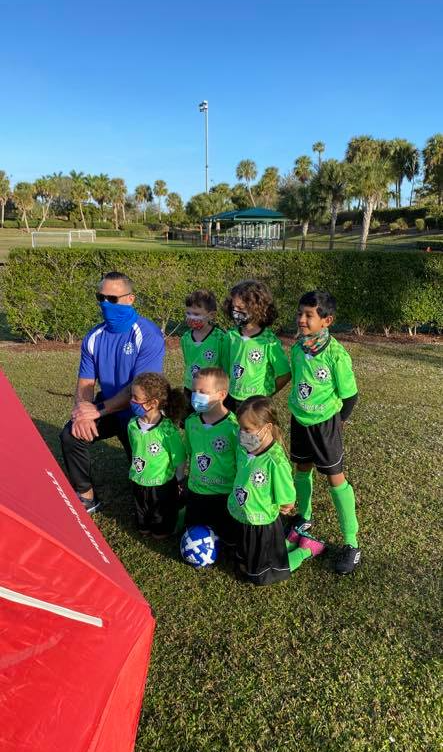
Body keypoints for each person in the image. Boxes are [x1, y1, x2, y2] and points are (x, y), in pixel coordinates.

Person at [60, 271, 165, 513]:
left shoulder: (147, 335)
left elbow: (141, 387)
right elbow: (85, 382)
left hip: (141, 413)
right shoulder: (93, 337)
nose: (106, 304)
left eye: (113, 299)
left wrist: (98, 410)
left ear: (130, 299)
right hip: (105, 408)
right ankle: (86, 496)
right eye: (101, 297)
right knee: (70, 435)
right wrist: (82, 412)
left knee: (147, 480)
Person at [287, 290, 360, 575]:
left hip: (326, 425)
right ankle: (304, 518)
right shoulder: (297, 348)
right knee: (301, 468)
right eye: (300, 313)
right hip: (299, 420)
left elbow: (350, 396)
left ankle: (351, 543)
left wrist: (336, 423)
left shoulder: (336, 355)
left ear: (327, 320)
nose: (302, 320)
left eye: (309, 315)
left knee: (335, 479)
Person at [228, 396, 325, 586]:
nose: (242, 433)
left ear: (266, 428)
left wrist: (285, 506)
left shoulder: (275, 461)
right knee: (243, 566)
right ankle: (288, 542)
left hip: (262, 524)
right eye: (241, 428)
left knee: (262, 576)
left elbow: (288, 498)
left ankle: (307, 549)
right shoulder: (243, 449)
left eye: (247, 429)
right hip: (243, 519)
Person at [128, 372, 186, 538]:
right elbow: (135, 448)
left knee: (160, 519)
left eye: (135, 397)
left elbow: (179, 457)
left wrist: (179, 479)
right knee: (142, 519)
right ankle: (144, 525)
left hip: (161, 484)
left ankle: (162, 529)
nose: (131, 401)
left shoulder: (167, 429)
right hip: (138, 480)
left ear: (152, 403)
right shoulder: (132, 424)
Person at [184, 367, 238, 543]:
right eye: (194, 391)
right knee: (194, 534)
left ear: (222, 394)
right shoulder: (191, 421)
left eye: (203, 392)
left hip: (224, 494)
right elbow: (190, 453)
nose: (196, 396)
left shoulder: (234, 426)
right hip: (196, 491)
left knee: (228, 540)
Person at [222, 279, 291, 412]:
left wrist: (268, 393)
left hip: (256, 403)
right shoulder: (230, 336)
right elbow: (225, 367)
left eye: (240, 308)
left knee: (252, 433)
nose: (235, 311)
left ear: (257, 308)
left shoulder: (269, 341)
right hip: (230, 398)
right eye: (233, 307)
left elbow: (285, 374)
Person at [180, 289, 225, 415]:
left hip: (212, 390)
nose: (191, 317)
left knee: (212, 419)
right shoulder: (185, 338)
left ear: (211, 315)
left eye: (196, 314)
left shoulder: (220, 338)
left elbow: (224, 364)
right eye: (188, 313)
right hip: (191, 387)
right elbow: (188, 362)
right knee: (190, 420)